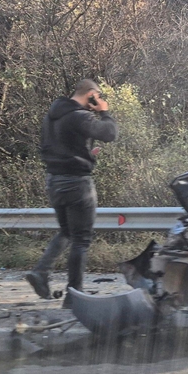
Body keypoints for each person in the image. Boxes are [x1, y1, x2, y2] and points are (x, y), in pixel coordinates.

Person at [25, 79, 118, 307]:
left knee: (66, 232)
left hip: (54, 181)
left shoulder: (51, 116)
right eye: (96, 96)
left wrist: (87, 155)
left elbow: (60, 147)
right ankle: (74, 296)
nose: (96, 101)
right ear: (90, 95)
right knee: (81, 240)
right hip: (77, 184)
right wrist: (105, 112)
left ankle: (41, 272)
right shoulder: (80, 116)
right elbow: (110, 133)